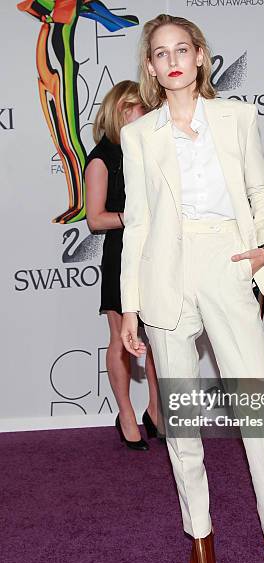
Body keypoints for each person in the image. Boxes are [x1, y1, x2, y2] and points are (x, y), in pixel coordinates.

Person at [120, 14, 264, 563]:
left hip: (228, 263)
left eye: (183, 48)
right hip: (165, 274)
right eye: (160, 53)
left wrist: (263, 246)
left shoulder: (238, 118)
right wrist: (131, 305)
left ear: (202, 55)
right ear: (151, 67)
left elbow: (260, 190)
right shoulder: (139, 135)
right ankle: (200, 534)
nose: (173, 59)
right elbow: (137, 223)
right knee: (182, 421)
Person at [85, 81, 160, 451]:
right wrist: (136, 216)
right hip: (120, 254)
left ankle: (157, 412)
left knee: (160, 338)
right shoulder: (101, 157)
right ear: (121, 109)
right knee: (120, 339)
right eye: (139, 107)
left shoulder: (149, 149)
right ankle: (127, 415)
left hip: (157, 253)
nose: (146, 113)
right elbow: (95, 220)